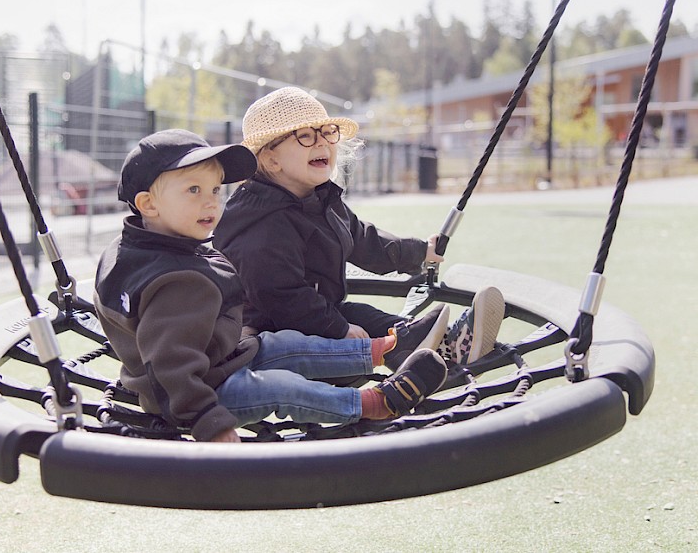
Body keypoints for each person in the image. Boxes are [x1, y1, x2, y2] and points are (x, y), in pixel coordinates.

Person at [93, 129, 448, 443]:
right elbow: (169, 367)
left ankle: (384, 349)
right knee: (282, 388)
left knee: (282, 345)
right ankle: (375, 404)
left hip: (219, 359)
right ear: (148, 204)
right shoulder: (172, 282)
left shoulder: (152, 249)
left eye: (216, 189)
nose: (211, 202)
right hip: (197, 395)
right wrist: (208, 421)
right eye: (194, 190)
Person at [215, 87, 504, 367]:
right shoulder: (261, 222)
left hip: (311, 316)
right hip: (266, 339)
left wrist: (417, 252)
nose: (322, 143)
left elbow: (362, 238)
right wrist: (336, 328)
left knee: (367, 317)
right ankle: (422, 350)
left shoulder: (320, 199)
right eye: (304, 136)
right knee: (350, 325)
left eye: (327, 133)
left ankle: (440, 346)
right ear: (270, 158)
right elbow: (280, 295)